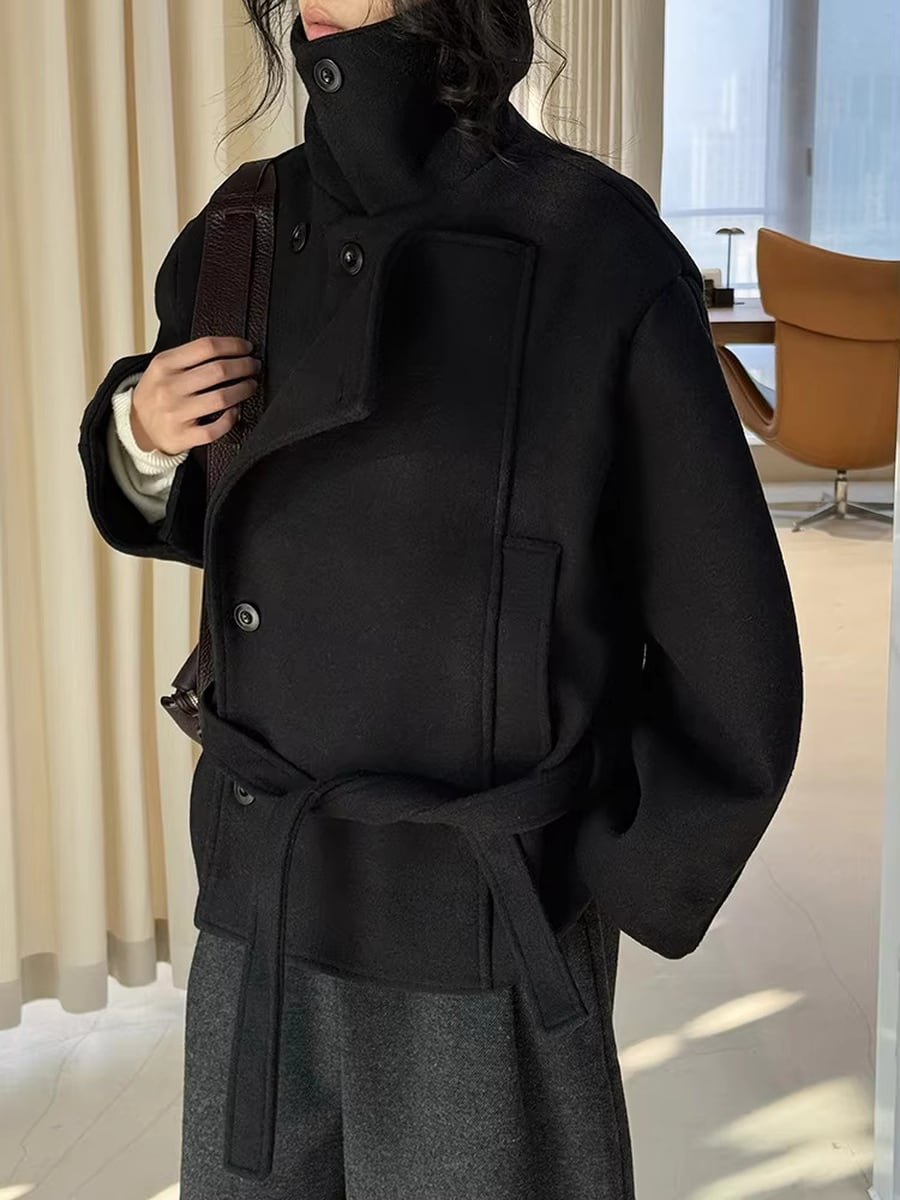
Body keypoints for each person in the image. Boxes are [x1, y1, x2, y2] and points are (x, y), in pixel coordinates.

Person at [77, 1, 804, 1196]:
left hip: (476, 906)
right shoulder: (242, 230)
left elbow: (727, 627)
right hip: (267, 887)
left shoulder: (593, 247)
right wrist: (141, 434)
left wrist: (597, 873)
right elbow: (235, 521)